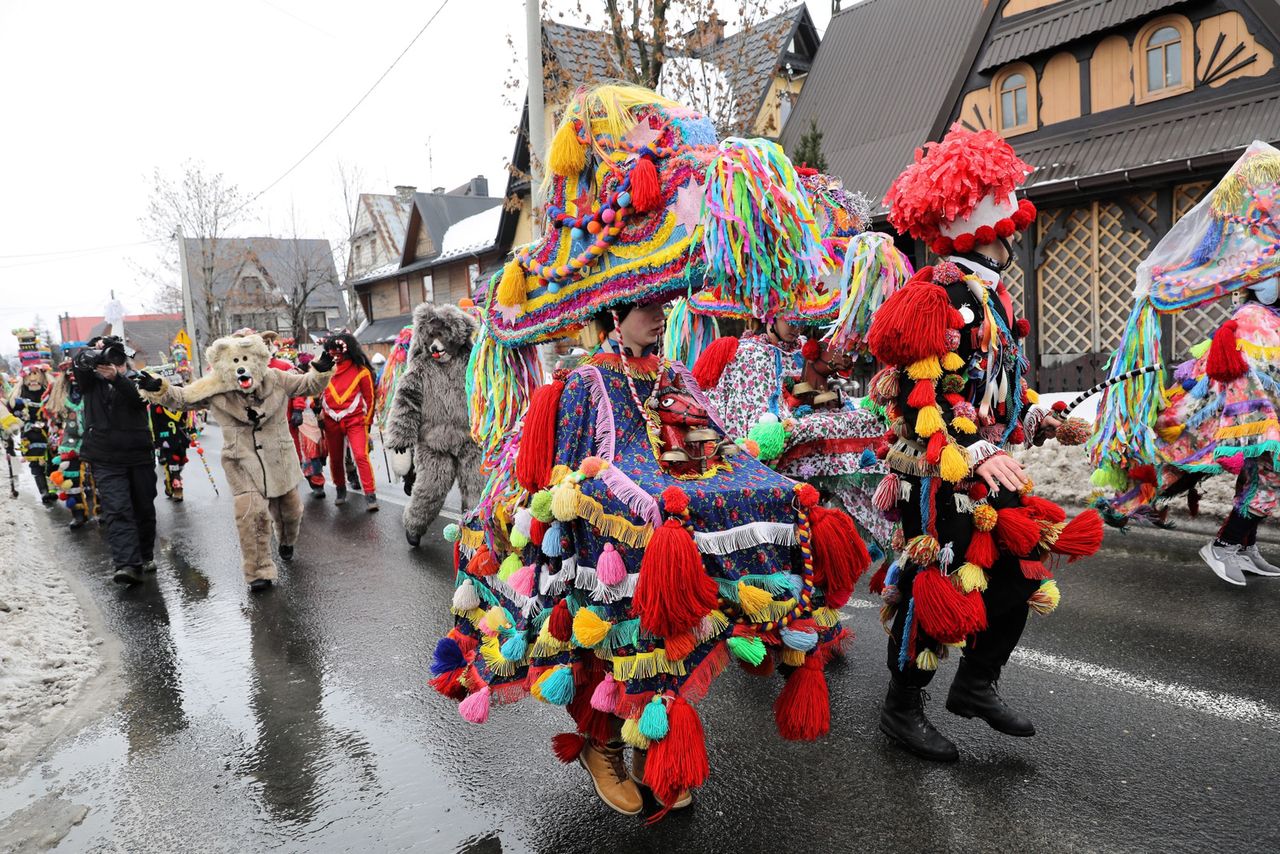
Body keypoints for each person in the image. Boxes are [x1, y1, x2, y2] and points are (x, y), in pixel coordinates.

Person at [431, 85, 865, 818]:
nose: (660, 317)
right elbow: (558, 478)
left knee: (685, 609)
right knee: (610, 636)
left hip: (661, 527)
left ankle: (651, 733)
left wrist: (762, 475)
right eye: (648, 307)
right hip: (595, 551)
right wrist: (602, 493)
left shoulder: (671, 375)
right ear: (613, 312)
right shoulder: (583, 383)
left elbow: (715, 444)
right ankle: (602, 741)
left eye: (664, 306)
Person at [867, 124, 1102, 762]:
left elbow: (997, 387)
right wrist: (975, 450)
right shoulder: (937, 292)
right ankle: (901, 708)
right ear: (979, 231)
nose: (1013, 236)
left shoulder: (989, 297)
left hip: (982, 467)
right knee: (938, 584)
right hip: (937, 473)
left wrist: (1041, 420)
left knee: (1017, 578)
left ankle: (974, 684)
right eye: (1004, 228)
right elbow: (931, 396)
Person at [1091, 141, 1280, 587]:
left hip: (1260, 417)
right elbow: (1247, 378)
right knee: (1264, 476)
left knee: (1264, 476)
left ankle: (1243, 546)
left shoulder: (1267, 319)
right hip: (1247, 415)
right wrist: (1260, 423)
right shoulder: (1250, 322)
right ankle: (1225, 546)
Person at [138, 333, 335, 591]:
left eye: (245, 359)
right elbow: (183, 398)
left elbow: (306, 385)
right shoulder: (214, 386)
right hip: (240, 460)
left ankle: (286, 541)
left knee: (291, 511)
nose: (241, 366)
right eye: (235, 361)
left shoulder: (275, 378)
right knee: (251, 513)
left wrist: (321, 369)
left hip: (279, 456)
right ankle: (258, 571)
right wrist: (159, 388)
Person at [73, 337, 158, 585]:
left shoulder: (139, 379)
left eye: (119, 360)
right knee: (117, 508)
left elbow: (139, 400)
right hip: (105, 456)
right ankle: (127, 565)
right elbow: (78, 362)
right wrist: (92, 352)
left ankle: (144, 555)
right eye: (110, 359)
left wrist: (117, 378)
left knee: (143, 506)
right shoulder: (90, 381)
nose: (114, 364)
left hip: (138, 454)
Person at [319, 333, 378, 511]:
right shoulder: (325, 370)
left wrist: (367, 424)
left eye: (338, 351)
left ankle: (370, 494)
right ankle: (340, 488)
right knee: (336, 458)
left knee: (360, 455)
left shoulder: (362, 371)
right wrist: (316, 410)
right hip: (331, 420)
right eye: (331, 352)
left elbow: (370, 399)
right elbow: (315, 391)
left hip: (355, 420)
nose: (335, 355)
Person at [45, 362, 96, 528]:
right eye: (69, 374)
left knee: (101, 476)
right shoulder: (60, 395)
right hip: (70, 442)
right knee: (70, 477)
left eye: (76, 374)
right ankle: (78, 513)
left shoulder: (93, 391)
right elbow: (51, 412)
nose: (73, 378)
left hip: (95, 438)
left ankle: (103, 511)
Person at [8, 365, 55, 505]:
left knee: (52, 460)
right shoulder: (20, 394)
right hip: (30, 434)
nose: (33, 379)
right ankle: (43, 491)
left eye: (36, 375)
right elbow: (14, 412)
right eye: (30, 376)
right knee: (35, 462)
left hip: (49, 431)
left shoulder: (49, 392)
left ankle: (52, 489)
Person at [150, 394, 192, 501]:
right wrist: (157, 445)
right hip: (166, 442)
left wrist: (192, 432)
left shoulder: (180, 403)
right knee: (173, 465)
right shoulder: (156, 405)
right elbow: (154, 425)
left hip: (180, 439)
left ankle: (169, 482)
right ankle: (178, 490)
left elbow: (185, 420)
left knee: (181, 463)